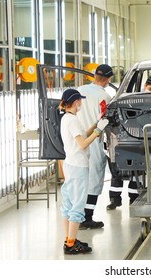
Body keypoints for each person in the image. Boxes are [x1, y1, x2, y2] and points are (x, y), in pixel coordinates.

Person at [58, 88, 109, 254]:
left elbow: (81, 136)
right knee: (78, 206)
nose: (82, 103)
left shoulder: (68, 118)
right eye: (80, 100)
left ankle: (69, 239)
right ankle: (71, 245)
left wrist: (96, 123)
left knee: (68, 204)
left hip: (70, 164)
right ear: (75, 102)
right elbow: (83, 144)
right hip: (78, 167)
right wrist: (98, 131)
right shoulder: (72, 120)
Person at [106, 76, 151, 210]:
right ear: (145, 85)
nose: (150, 91)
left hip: (140, 139)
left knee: (137, 172)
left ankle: (134, 199)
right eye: (149, 88)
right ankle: (114, 199)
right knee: (117, 171)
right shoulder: (130, 99)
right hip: (123, 137)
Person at [76, 64, 113, 230]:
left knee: (77, 180)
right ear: (109, 79)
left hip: (75, 142)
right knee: (94, 179)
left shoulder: (79, 89)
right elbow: (107, 120)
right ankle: (87, 218)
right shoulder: (105, 96)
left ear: (94, 75)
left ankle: (76, 216)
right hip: (94, 140)